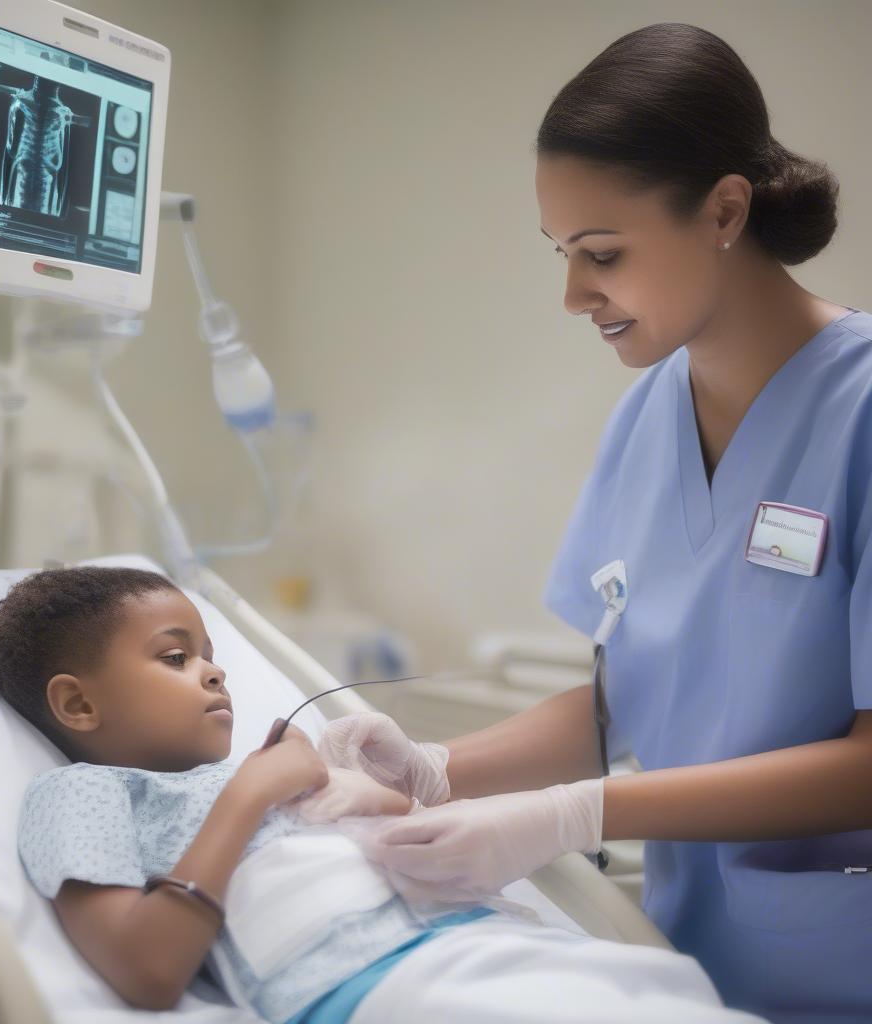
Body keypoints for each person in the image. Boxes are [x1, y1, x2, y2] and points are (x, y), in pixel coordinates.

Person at [318, 21, 872, 1024]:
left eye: (603, 253)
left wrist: (579, 812)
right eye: (563, 254)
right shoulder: (648, 414)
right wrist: (441, 770)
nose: (574, 295)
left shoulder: (862, 413)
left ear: (724, 211)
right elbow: (630, 701)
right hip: (689, 968)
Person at [0, 565, 763, 1024]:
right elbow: (146, 968)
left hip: (499, 944)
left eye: (211, 654)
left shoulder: (274, 762)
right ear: (78, 705)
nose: (214, 671)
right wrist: (250, 796)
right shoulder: (81, 794)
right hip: (387, 988)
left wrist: (382, 789)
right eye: (175, 658)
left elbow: (419, 847)